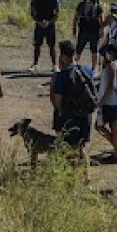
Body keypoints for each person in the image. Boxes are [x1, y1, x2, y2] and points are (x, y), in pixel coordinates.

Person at [49, 41, 92, 169]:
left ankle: (71, 179)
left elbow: (57, 100)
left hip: (69, 117)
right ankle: (86, 179)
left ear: (62, 55)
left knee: (68, 149)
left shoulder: (62, 75)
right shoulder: (86, 70)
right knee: (81, 148)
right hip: (85, 115)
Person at [95, 41, 117, 161]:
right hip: (114, 102)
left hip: (111, 102)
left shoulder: (112, 66)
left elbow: (111, 86)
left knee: (105, 127)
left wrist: (101, 101)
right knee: (109, 127)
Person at [29, 0, 61, 72]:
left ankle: (54, 65)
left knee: (52, 46)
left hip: (50, 26)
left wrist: (49, 22)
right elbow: (32, 12)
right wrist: (38, 22)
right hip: (39, 25)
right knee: (37, 46)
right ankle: (35, 64)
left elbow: (57, 14)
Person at [73, 0, 105, 70]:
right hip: (83, 30)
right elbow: (76, 17)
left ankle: (93, 68)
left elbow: (101, 20)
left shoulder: (98, 6)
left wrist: (102, 30)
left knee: (94, 50)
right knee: (78, 49)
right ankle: (74, 65)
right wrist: (74, 28)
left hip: (94, 31)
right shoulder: (81, 5)